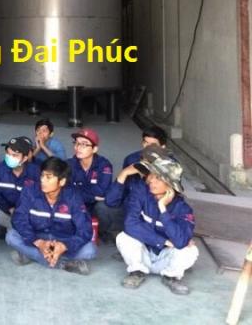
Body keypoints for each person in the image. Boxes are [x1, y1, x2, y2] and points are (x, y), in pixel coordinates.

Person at [117, 146, 198, 295]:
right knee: (124, 237)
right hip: (144, 254)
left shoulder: (183, 208)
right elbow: (130, 224)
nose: (152, 182)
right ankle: (137, 272)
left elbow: (181, 242)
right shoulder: (141, 194)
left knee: (190, 250)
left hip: (165, 259)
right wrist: (164, 241)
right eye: (151, 177)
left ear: (171, 184)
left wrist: (162, 209)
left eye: (158, 178)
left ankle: (171, 277)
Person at [7, 157, 96, 275]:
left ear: (62, 181)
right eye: (42, 176)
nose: (43, 180)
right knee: (11, 236)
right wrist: (38, 242)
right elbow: (19, 219)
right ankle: (62, 263)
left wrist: (64, 246)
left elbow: (85, 228)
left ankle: (32, 255)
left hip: (63, 239)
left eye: (48, 177)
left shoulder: (73, 197)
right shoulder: (30, 191)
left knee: (90, 250)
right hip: (37, 236)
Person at [67, 128, 121, 239]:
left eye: (84, 144)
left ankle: (101, 232)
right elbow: (68, 191)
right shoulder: (69, 164)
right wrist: (92, 196)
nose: (78, 147)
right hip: (77, 203)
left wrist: (80, 190)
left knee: (103, 207)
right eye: (76, 143)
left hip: (95, 206)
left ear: (95, 149)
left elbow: (101, 192)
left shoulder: (104, 165)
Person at [106, 125, 172, 210]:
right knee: (103, 208)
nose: (148, 147)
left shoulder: (170, 165)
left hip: (155, 209)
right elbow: (112, 199)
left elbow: (171, 196)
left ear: (162, 147)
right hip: (131, 205)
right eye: (145, 143)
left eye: (153, 145)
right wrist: (124, 173)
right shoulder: (131, 159)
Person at [0, 137, 40, 233]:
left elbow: (39, 197)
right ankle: (13, 229)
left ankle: (15, 229)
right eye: (8, 153)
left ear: (25, 158)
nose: (9, 157)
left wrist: (21, 210)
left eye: (14, 155)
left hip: (27, 213)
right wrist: (9, 208)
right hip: (5, 211)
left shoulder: (35, 172)